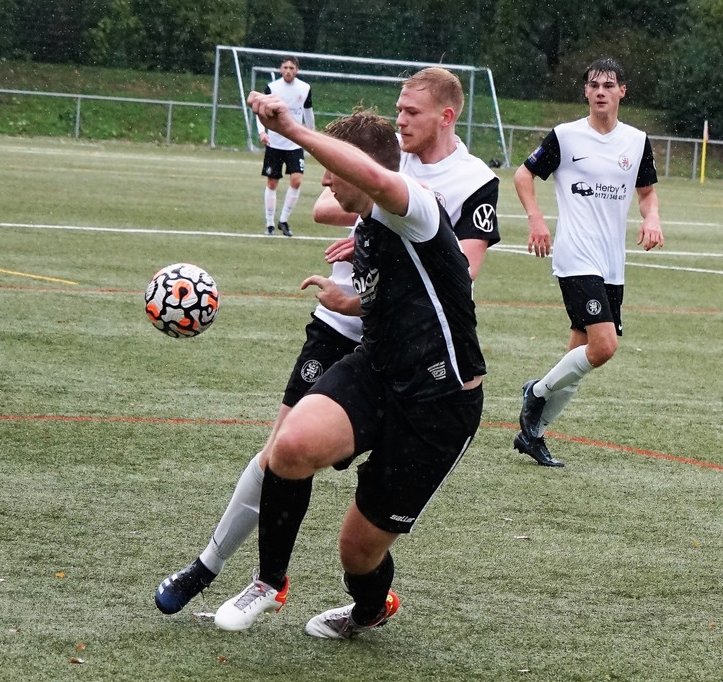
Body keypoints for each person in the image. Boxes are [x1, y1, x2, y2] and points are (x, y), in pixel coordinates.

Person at [155, 67, 499, 618]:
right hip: (376, 362)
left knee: (357, 551)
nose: (324, 186)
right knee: (287, 446)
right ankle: (267, 581)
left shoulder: (419, 198)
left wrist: (294, 130)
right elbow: (382, 266)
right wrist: (351, 297)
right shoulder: (372, 213)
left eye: (332, 173)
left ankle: (370, 607)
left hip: (439, 396)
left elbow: (407, 215)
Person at [513, 57, 662, 468]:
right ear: (585, 91)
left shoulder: (637, 141)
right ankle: (536, 393)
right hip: (576, 255)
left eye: (609, 85)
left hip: (612, 262)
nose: (600, 91)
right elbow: (523, 175)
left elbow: (647, 193)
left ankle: (533, 434)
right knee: (604, 346)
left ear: (622, 92)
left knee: (579, 356)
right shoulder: (566, 136)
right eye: (594, 85)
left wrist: (651, 217)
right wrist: (536, 219)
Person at [256, 56, 314, 237]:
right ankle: (269, 224)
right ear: (280, 69)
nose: (288, 71)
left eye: (292, 68)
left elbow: (308, 113)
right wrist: (262, 132)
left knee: (297, 180)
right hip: (275, 143)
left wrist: (312, 135)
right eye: (285, 67)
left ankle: (283, 220)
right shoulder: (272, 88)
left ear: (297, 70)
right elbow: (260, 111)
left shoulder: (305, 88)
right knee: (272, 183)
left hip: (294, 143)